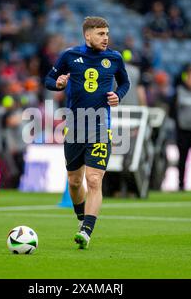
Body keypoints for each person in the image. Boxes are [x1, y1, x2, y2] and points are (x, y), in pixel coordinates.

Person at [45, 17, 130, 249]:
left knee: (93, 180)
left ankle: (87, 231)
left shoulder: (114, 58)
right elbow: (48, 79)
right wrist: (58, 84)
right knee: (74, 182)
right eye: (101, 34)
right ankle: (82, 219)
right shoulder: (70, 56)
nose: (106, 38)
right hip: (74, 127)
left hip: (101, 128)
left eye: (107, 33)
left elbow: (125, 83)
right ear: (87, 36)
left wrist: (118, 96)